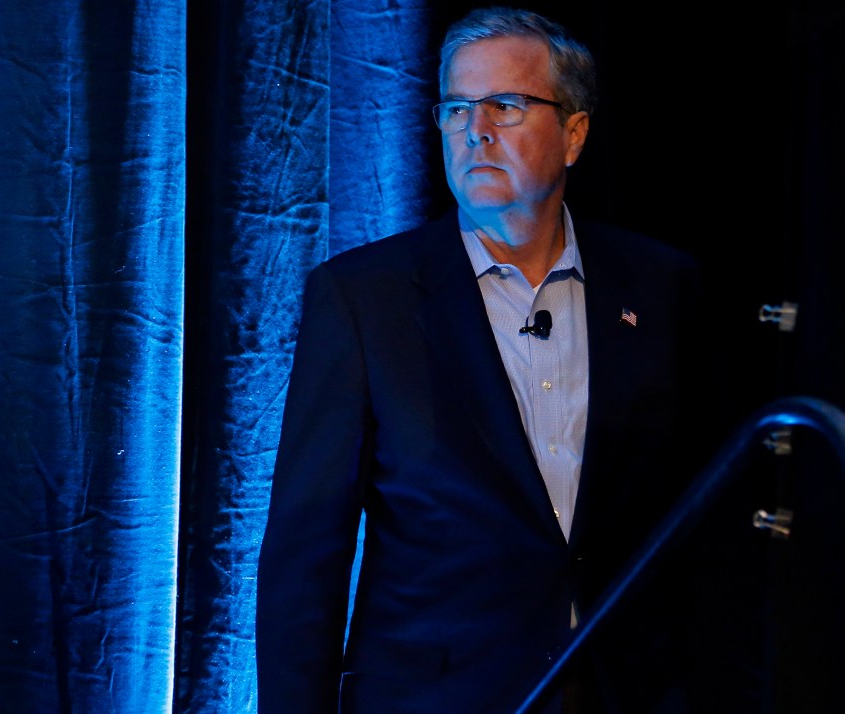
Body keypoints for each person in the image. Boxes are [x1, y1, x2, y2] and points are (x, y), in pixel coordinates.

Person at [257, 7, 732, 713]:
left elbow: (706, 525)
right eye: (456, 109)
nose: (475, 130)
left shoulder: (660, 287)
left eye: (505, 105)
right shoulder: (364, 298)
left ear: (574, 134)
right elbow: (305, 557)